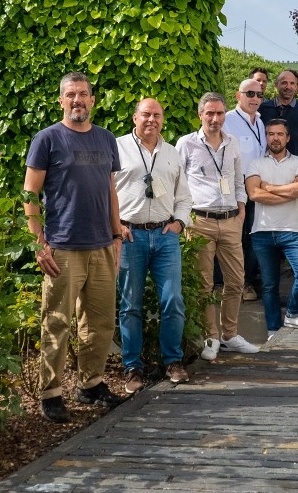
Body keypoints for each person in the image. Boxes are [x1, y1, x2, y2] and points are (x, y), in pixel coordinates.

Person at [24, 72, 126, 424]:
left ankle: (91, 384)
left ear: (93, 100)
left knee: (99, 323)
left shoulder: (106, 139)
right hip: (62, 248)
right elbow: (30, 195)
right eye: (71, 94)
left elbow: (110, 190)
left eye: (83, 94)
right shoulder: (48, 139)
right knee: (56, 323)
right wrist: (39, 244)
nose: (77, 100)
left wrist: (116, 236)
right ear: (61, 100)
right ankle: (50, 392)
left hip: (101, 246)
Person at [115, 98, 194, 394]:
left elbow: (184, 197)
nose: (151, 119)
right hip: (129, 236)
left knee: (173, 300)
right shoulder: (118, 148)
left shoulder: (171, 153)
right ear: (135, 117)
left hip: (164, 236)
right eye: (145, 114)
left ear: (163, 119)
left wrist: (180, 223)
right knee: (130, 304)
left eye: (157, 115)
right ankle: (132, 368)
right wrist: (116, 225)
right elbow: (106, 191)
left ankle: (173, 361)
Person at [175, 93, 260, 359]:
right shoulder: (186, 144)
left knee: (235, 281)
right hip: (199, 221)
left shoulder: (232, 143)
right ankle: (210, 337)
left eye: (220, 113)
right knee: (204, 284)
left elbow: (237, 179)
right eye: (210, 113)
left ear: (225, 115)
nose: (215, 119)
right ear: (200, 114)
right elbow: (177, 183)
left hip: (230, 220)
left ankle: (230, 335)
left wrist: (241, 208)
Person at [246, 119, 298, 336]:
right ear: (266, 137)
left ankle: (293, 314)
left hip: (291, 230)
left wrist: (270, 187)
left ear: (288, 137)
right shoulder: (255, 164)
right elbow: (254, 194)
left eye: (279, 134)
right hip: (262, 231)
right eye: (270, 134)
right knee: (269, 286)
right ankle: (273, 331)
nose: (275, 138)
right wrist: (286, 193)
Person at [223, 79, 269, 302]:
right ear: (237, 95)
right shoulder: (228, 120)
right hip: (235, 190)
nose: (255, 99)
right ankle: (229, 284)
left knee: (252, 236)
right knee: (233, 238)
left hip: (255, 188)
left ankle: (245, 281)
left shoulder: (259, 122)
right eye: (250, 93)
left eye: (259, 95)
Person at [259, 69, 298, 157]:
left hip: (296, 166)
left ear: (296, 87)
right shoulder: (262, 108)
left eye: (292, 83)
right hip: (268, 165)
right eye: (284, 83)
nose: (288, 87)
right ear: (276, 85)